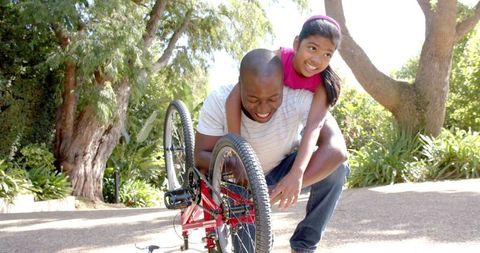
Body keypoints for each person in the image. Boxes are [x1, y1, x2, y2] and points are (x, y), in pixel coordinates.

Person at [194, 48, 348, 253]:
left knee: (338, 169)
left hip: (280, 172)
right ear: (239, 85)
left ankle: (304, 246)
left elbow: (337, 150)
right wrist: (234, 164)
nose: (263, 108)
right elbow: (200, 157)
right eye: (253, 99)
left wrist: (291, 181)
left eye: (273, 98)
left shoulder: (298, 97)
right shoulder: (219, 100)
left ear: (282, 85)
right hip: (239, 183)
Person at [225, 15, 343, 210]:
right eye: (312, 48)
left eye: (327, 54)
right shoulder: (276, 59)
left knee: (338, 165)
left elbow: (314, 126)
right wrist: (237, 151)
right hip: (257, 133)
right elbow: (233, 99)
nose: (317, 59)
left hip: (288, 136)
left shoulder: (323, 84)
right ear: (297, 43)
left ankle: (305, 241)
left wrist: (297, 173)